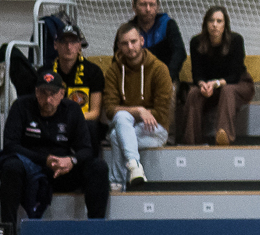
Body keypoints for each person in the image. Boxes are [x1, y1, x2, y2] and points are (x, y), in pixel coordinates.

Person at [1, 69, 109, 223]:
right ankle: (8, 231)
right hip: (31, 167)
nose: (48, 99)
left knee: (98, 167)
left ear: (62, 93)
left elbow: (86, 149)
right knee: (11, 167)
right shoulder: (21, 106)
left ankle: (96, 228)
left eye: (52, 94)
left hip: (62, 169)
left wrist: (71, 161)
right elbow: (10, 145)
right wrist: (44, 160)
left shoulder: (72, 109)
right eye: (43, 93)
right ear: (36, 92)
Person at [103, 20, 174, 189]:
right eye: (125, 43)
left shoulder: (159, 69)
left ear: (142, 41)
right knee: (121, 118)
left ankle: (117, 182)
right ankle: (134, 166)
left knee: (117, 136)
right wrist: (139, 111)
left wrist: (137, 115)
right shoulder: (113, 71)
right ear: (119, 46)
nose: (130, 47)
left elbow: (161, 113)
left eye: (133, 41)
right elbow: (110, 110)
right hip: (126, 125)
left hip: (155, 129)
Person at [184, 5, 254, 146]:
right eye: (211, 21)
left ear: (225, 25)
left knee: (227, 91)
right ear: (206, 23)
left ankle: (224, 137)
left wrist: (216, 83)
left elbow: (235, 76)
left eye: (219, 21)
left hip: (238, 84)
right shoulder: (196, 42)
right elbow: (197, 74)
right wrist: (202, 85)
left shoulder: (236, 40)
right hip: (210, 86)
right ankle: (192, 141)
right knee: (193, 93)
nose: (215, 25)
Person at [42, 22, 105, 158]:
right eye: (63, 42)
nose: (68, 47)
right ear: (55, 45)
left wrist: (71, 119)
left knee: (91, 126)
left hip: (81, 122)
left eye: (73, 42)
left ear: (79, 45)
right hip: (52, 120)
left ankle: (90, 163)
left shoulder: (93, 71)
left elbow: (95, 113)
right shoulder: (45, 73)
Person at [128, 0, 187, 81]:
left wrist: (167, 77)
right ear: (134, 7)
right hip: (137, 81)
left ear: (158, 7)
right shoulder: (127, 30)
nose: (148, 9)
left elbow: (180, 52)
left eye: (152, 5)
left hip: (166, 79)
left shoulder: (167, 24)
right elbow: (119, 58)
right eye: (143, 4)